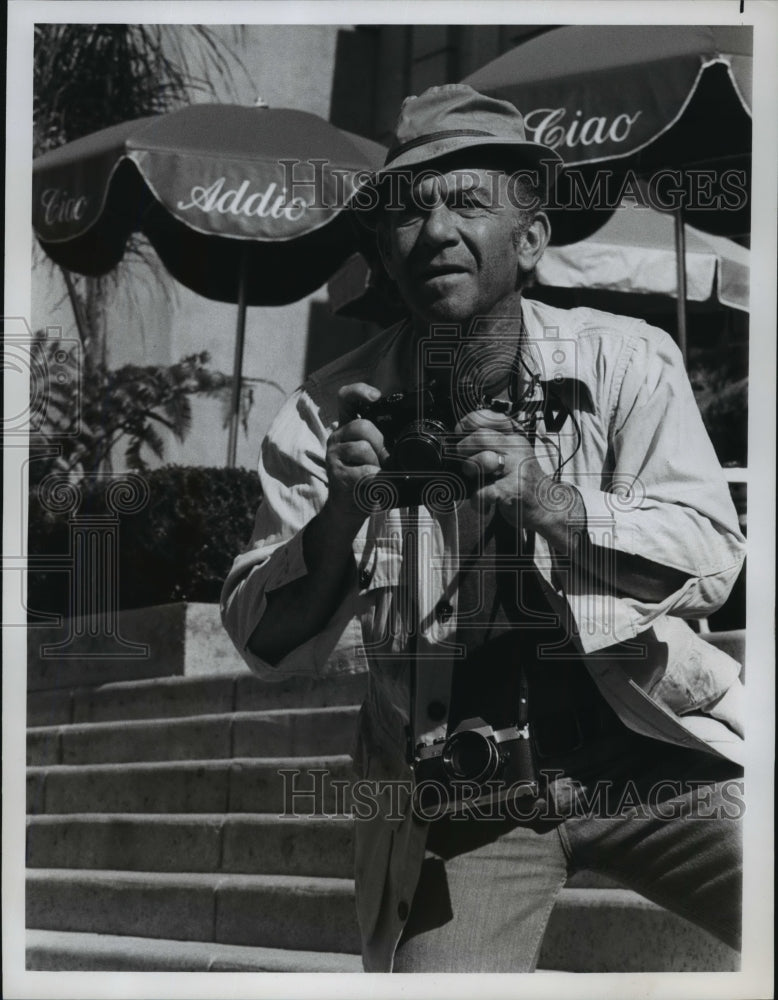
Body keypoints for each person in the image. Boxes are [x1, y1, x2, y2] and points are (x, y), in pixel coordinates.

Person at [221, 84, 746, 973]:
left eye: (467, 202)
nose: (434, 232)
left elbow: (712, 558)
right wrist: (339, 519)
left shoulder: (624, 360)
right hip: (469, 800)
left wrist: (554, 500)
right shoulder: (321, 416)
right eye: (407, 214)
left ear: (532, 239)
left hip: (655, 752)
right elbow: (261, 638)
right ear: (383, 256)